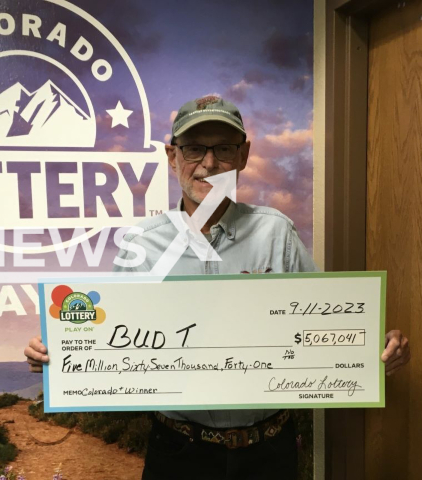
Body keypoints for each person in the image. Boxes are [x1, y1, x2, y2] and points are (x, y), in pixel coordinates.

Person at [24, 96, 411, 479]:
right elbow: (106, 343)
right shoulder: (140, 245)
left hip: (269, 454)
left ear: (242, 156)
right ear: (172, 156)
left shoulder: (276, 233)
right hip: (177, 454)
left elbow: (326, 329)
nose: (209, 164)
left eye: (223, 149)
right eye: (194, 149)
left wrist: (377, 346)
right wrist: (58, 354)